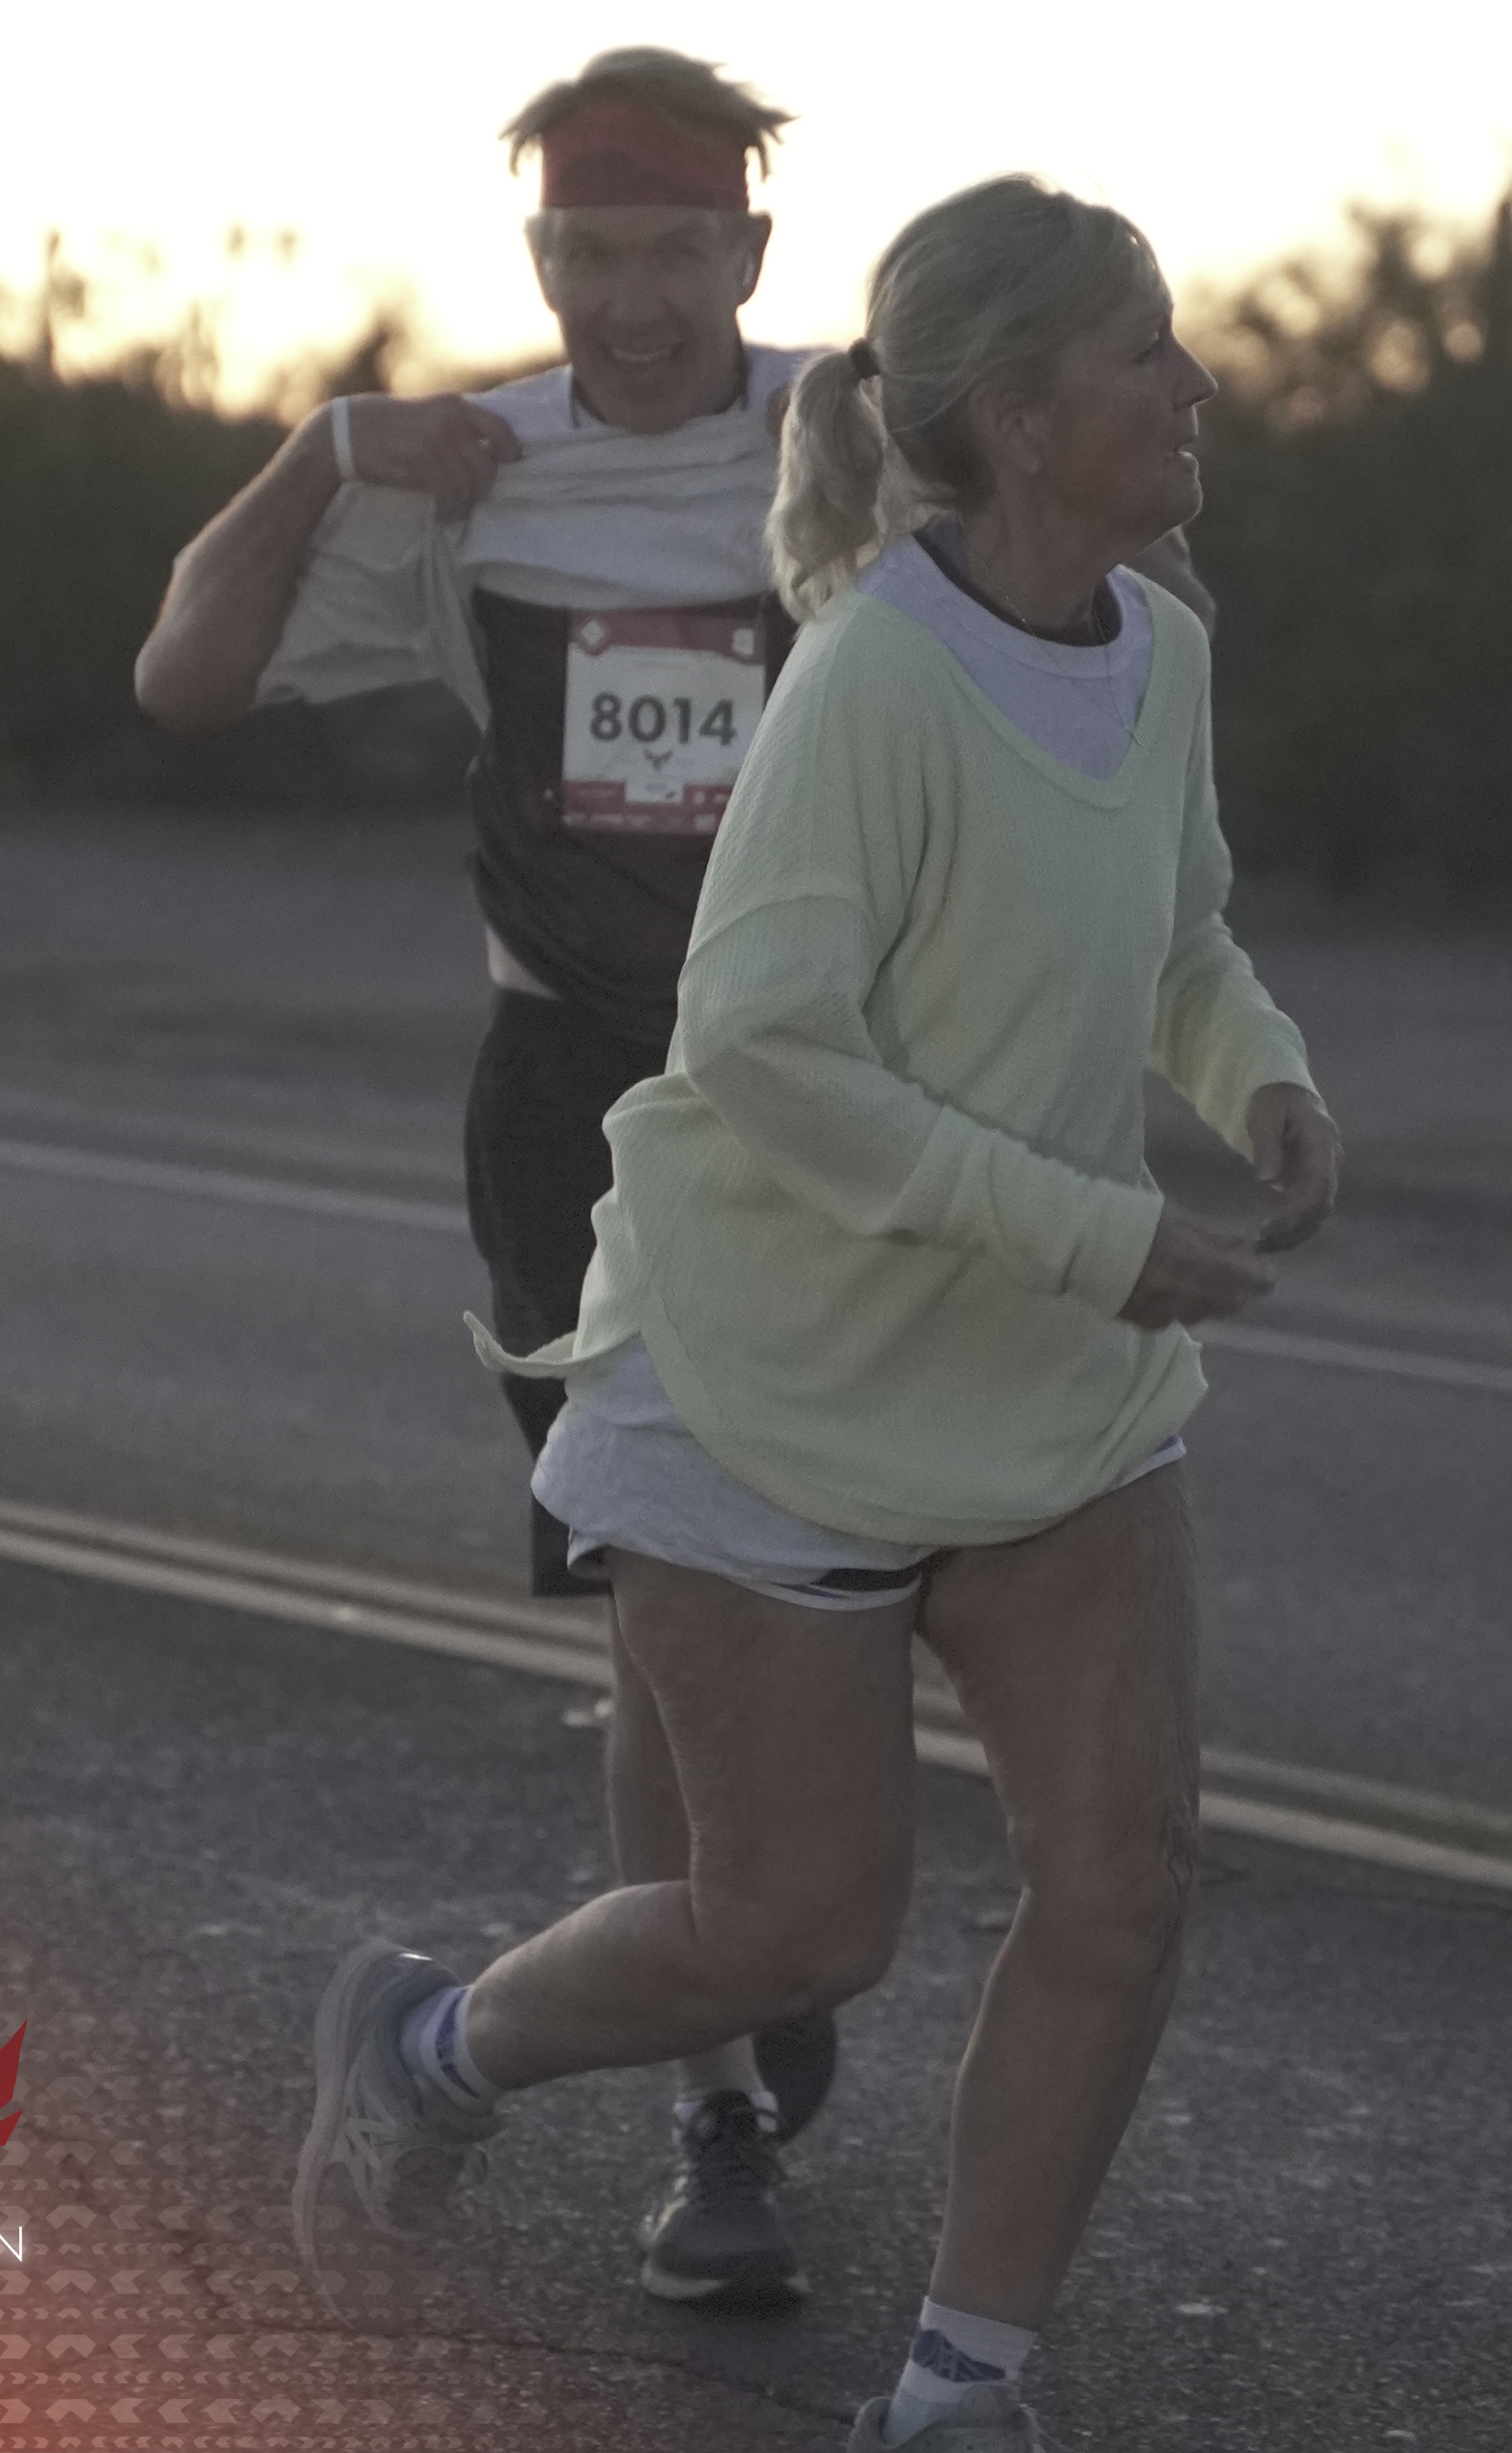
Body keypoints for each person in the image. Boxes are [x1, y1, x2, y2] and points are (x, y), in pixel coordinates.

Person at [140, 66, 1212, 2309]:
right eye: (583, 258)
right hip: (588, 1092)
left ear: (749, 251)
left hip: (888, 1098)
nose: (627, 302)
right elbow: (185, 676)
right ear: (537, 261)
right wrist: (325, 448)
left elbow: (1120, 611)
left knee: (841, 1664)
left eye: (670, 253)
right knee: (663, 1622)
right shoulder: (476, 470)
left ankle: (732, 1950)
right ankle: (714, 2108)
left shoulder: (864, 431)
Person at [291, 173, 1343, 2449]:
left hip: (1040, 1381)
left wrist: (1259, 1076)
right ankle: (429, 2048)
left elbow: (1177, 933)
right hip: (767, 1372)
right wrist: (1080, 1227)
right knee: (789, 1929)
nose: (1190, 384)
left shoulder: (1156, 645)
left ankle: (958, 2389)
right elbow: (763, 1044)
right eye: (1145, 349)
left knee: (1125, 1877)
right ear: (1016, 414)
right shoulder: (873, 674)